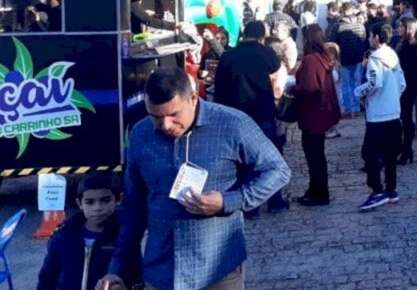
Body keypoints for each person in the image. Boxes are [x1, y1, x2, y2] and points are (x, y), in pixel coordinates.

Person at [99, 67, 290, 290]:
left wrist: (229, 201)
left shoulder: (233, 125)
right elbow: (134, 206)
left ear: (193, 98)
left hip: (218, 270)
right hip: (161, 272)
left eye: (173, 115)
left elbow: (278, 170)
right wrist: (117, 269)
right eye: (156, 117)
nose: (166, 125)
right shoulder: (141, 135)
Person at [213, 21, 290, 214]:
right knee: (268, 159)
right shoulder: (265, 53)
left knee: (240, 160)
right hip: (262, 111)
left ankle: (248, 206)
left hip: (235, 115)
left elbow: (219, 87)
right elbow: (276, 68)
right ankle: (274, 201)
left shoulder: (228, 55)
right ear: (261, 36)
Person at [39, 173, 138, 290]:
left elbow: (137, 278)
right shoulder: (62, 236)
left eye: (105, 200)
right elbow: (46, 278)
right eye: (90, 202)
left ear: (118, 199)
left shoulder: (125, 238)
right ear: (79, 203)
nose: (97, 208)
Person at [355, 22, 406, 211]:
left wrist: (358, 93)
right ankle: (391, 189)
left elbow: (374, 83)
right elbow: (402, 84)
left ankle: (377, 191)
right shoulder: (393, 56)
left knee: (369, 154)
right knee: (390, 154)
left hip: (377, 115)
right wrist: (392, 99)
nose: (369, 38)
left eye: (370, 35)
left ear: (376, 37)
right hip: (393, 112)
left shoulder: (375, 58)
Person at [291, 25, 342, 206]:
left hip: (312, 113)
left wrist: (293, 88)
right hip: (319, 111)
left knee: (314, 154)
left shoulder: (311, 59)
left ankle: (319, 192)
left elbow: (310, 87)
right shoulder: (322, 57)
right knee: (316, 153)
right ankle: (316, 188)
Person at [396, 16, 417, 164]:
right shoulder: (409, 44)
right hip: (410, 84)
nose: (399, 29)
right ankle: (406, 149)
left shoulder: (410, 45)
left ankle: (406, 149)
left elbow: (406, 69)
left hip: (408, 85)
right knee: (405, 117)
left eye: (401, 26)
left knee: (406, 118)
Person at [331, 2, 367, 115]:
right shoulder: (360, 24)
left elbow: (332, 41)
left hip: (344, 57)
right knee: (355, 82)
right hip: (358, 57)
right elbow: (363, 38)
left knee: (345, 84)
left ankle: (347, 109)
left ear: (342, 11)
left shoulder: (339, 26)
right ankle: (356, 108)